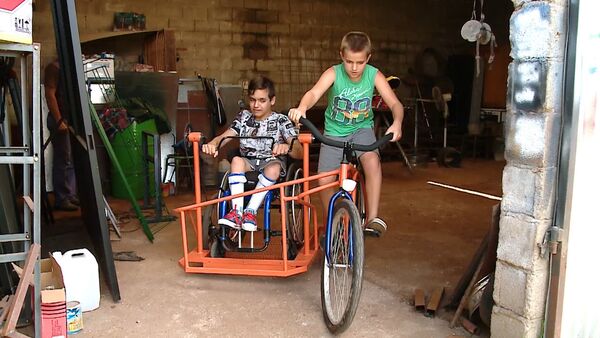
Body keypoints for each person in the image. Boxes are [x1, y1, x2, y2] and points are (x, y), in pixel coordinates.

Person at [289, 31, 404, 237]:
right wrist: (303, 107)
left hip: (362, 129)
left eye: (359, 62)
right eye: (349, 61)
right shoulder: (333, 73)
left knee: (372, 161)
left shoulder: (373, 75)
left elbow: (395, 103)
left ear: (368, 58)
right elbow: (314, 92)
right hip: (334, 132)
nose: (353, 68)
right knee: (324, 179)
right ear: (341, 55)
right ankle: (332, 219)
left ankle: (372, 218)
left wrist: (397, 123)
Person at [202, 75, 300, 231]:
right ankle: (236, 212)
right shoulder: (244, 117)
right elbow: (228, 135)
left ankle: (251, 211)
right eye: (253, 100)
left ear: (272, 100)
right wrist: (214, 143)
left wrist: (286, 147)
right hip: (249, 162)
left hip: (271, 163)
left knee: (273, 167)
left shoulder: (282, 120)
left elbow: (299, 151)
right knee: (236, 161)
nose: (256, 105)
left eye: (262, 100)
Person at [44, 60, 79, 211]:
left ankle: (69, 194)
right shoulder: (54, 67)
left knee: (70, 159)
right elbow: (50, 93)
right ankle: (62, 198)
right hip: (59, 120)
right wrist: (59, 120)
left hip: (68, 120)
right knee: (63, 159)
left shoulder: (69, 68)